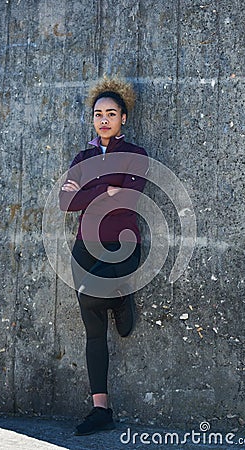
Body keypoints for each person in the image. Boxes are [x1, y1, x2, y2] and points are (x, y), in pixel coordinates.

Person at [59, 76, 148, 435]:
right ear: (93, 119)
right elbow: (67, 202)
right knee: (93, 331)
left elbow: (129, 197)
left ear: (123, 117)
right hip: (84, 246)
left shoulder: (137, 155)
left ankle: (122, 296)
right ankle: (101, 410)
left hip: (123, 244)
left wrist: (90, 189)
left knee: (87, 296)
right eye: (98, 114)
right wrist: (105, 189)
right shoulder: (82, 157)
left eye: (112, 113)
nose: (105, 119)